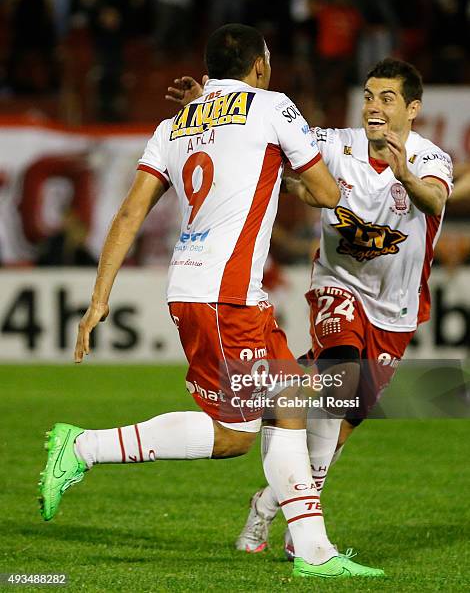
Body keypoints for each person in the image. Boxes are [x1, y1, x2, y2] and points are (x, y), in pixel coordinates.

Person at [38, 24, 383, 580]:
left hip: (200, 289)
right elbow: (326, 193)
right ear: (261, 66)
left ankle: (315, 553)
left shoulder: (173, 124)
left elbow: (129, 214)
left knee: (287, 404)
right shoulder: (273, 106)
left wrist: (98, 298)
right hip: (226, 296)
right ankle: (83, 448)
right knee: (234, 436)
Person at [166, 57, 454, 557]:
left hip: (396, 310)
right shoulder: (334, 143)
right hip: (338, 284)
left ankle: (266, 506)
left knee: (343, 419)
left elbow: (432, 202)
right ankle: (307, 537)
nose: (374, 107)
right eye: (368, 95)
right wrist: (204, 108)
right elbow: (260, 133)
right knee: (340, 371)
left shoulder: (431, 159)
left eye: (387, 99)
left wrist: (405, 176)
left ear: (413, 108)